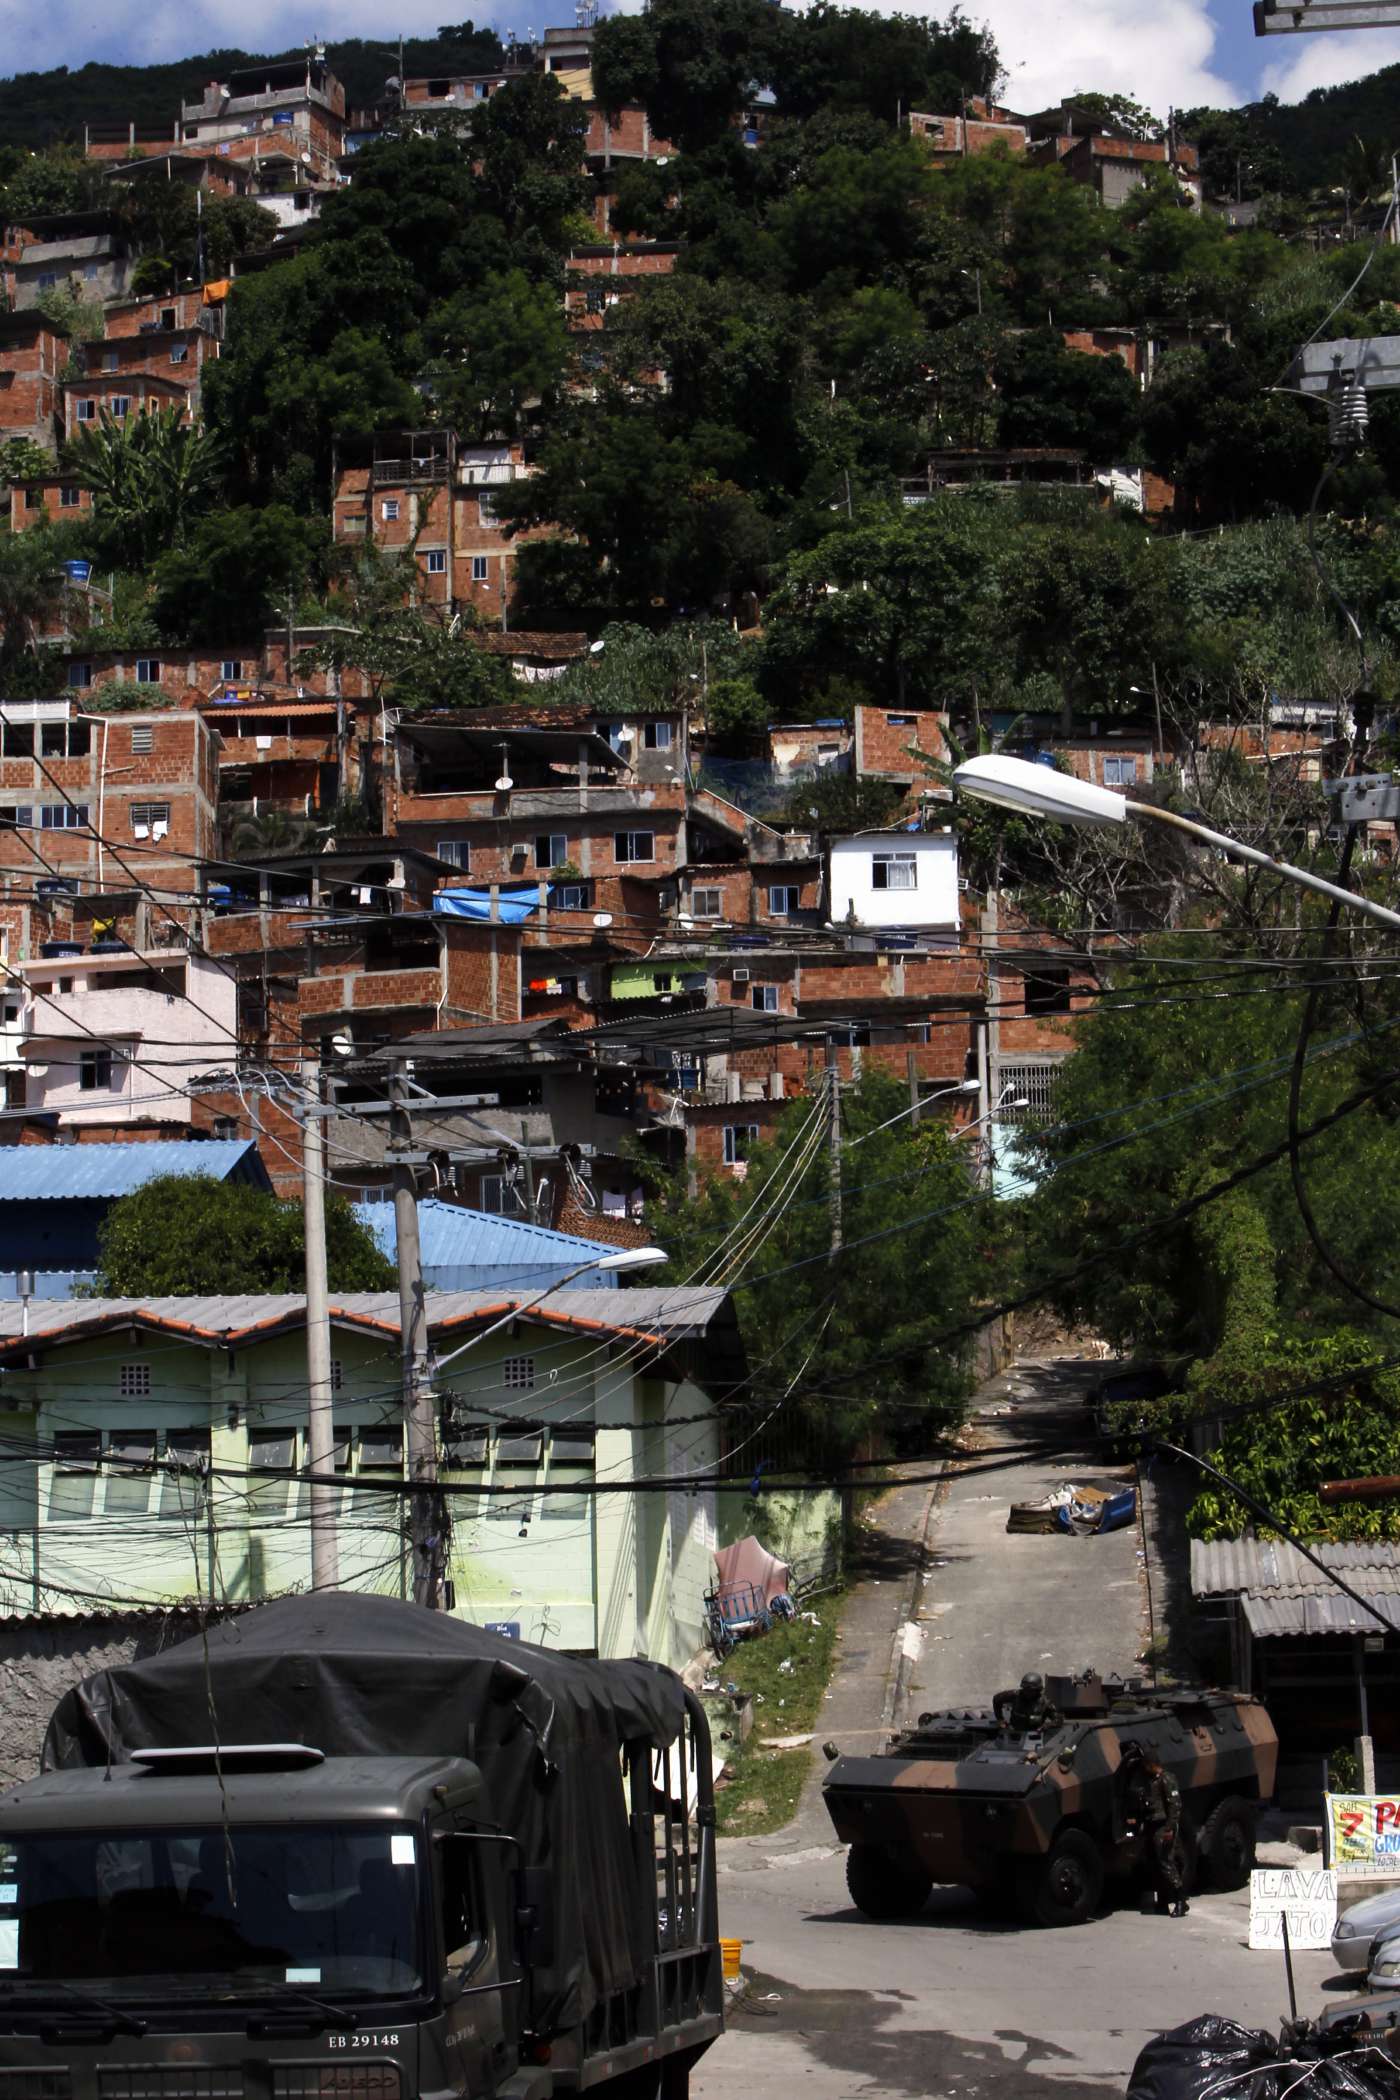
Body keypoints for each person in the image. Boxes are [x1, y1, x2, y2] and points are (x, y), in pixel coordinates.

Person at [1121, 1744, 1189, 1917]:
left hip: (1163, 1826)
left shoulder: (1166, 1779)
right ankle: (1163, 1901)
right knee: (1155, 1865)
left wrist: (1170, 1828)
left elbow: (1175, 1806)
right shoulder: (1151, 1780)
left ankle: (1180, 1900)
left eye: (1146, 1765)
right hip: (1152, 1825)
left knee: (1166, 1863)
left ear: (1151, 1764)